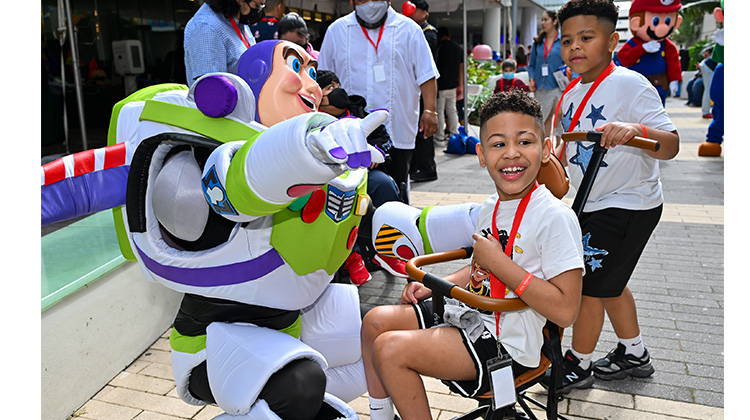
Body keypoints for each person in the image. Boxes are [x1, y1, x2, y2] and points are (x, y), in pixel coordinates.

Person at [362, 90, 584, 420]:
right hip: (474, 316)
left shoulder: (555, 218)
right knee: (374, 323)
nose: (512, 154)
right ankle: (382, 415)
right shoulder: (491, 209)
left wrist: (500, 264)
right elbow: (480, 269)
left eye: (525, 142)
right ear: (481, 154)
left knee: (390, 348)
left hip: (511, 343)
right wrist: (438, 284)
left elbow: (566, 312)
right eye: (498, 144)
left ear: (547, 149)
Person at [548, 0, 680, 393]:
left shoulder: (630, 84)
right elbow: (563, 158)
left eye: (586, 37)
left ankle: (578, 363)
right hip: (589, 203)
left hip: (629, 203)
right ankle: (634, 353)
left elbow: (671, 144)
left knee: (590, 284)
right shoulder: (569, 94)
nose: (575, 47)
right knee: (611, 281)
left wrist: (634, 128)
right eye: (567, 39)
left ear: (612, 41)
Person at [318, 0, 439, 203]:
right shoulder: (337, 31)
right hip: (347, 133)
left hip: (398, 127)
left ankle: (396, 231)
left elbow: (426, 74)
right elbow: (321, 79)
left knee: (396, 193)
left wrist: (431, 111)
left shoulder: (409, 30)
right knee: (350, 195)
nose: (370, 4)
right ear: (352, 1)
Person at [316, 69, 408, 282]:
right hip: (331, 178)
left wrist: (375, 153)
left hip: (366, 173)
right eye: (328, 88)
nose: (336, 91)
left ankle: (389, 248)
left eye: (336, 85)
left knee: (384, 185)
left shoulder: (359, 112)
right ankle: (352, 255)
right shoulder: (312, 119)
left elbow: (384, 140)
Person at [615, 0, 683, 107]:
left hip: (659, 87)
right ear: (636, 23)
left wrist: (674, 80)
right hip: (635, 89)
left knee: (657, 115)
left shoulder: (667, 45)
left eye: (667, 21)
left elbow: (673, 63)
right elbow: (624, 59)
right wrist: (642, 49)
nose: (663, 27)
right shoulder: (634, 43)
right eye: (656, 21)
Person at [183, 0, 264, 87]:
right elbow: (211, 89)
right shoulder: (207, 28)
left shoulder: (238, 21)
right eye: (257, 6)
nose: (258, 12)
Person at [405, 0, 440, 183]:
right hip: (413, 89)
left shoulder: (429, 34)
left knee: (424, 131)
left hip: (424, 90)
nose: (411, 14)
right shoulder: (411, 30)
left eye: (415, 11)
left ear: (425, 13)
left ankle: (428, 168)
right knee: (416, 130)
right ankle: (418, 167)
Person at [528, 9, 564, 138]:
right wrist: (531, 79)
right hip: (540, 87)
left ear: (555, 21)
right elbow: (531, 65)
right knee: (545, 119)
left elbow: (568, 61)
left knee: (560, 114)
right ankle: (546, 147)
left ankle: (560, 144)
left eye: (546, 19)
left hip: (558, 85)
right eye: (542, 20)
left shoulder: (563, 41)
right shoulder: (537, 43)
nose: (543, 22)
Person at [434, 26, 464, 147]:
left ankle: (440, 138)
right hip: (453, 86)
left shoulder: (438, 48)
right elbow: (461, 68)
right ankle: (454, 135)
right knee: (452, 111)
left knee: (440, 112)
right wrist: (460, 84)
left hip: (440, 86)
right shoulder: (458, 48)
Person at [698, 45, 716, 119]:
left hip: (707, 66)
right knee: (708, 89)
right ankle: (705, 112)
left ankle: (706, 111)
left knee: (708, 89)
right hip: (708, 67)